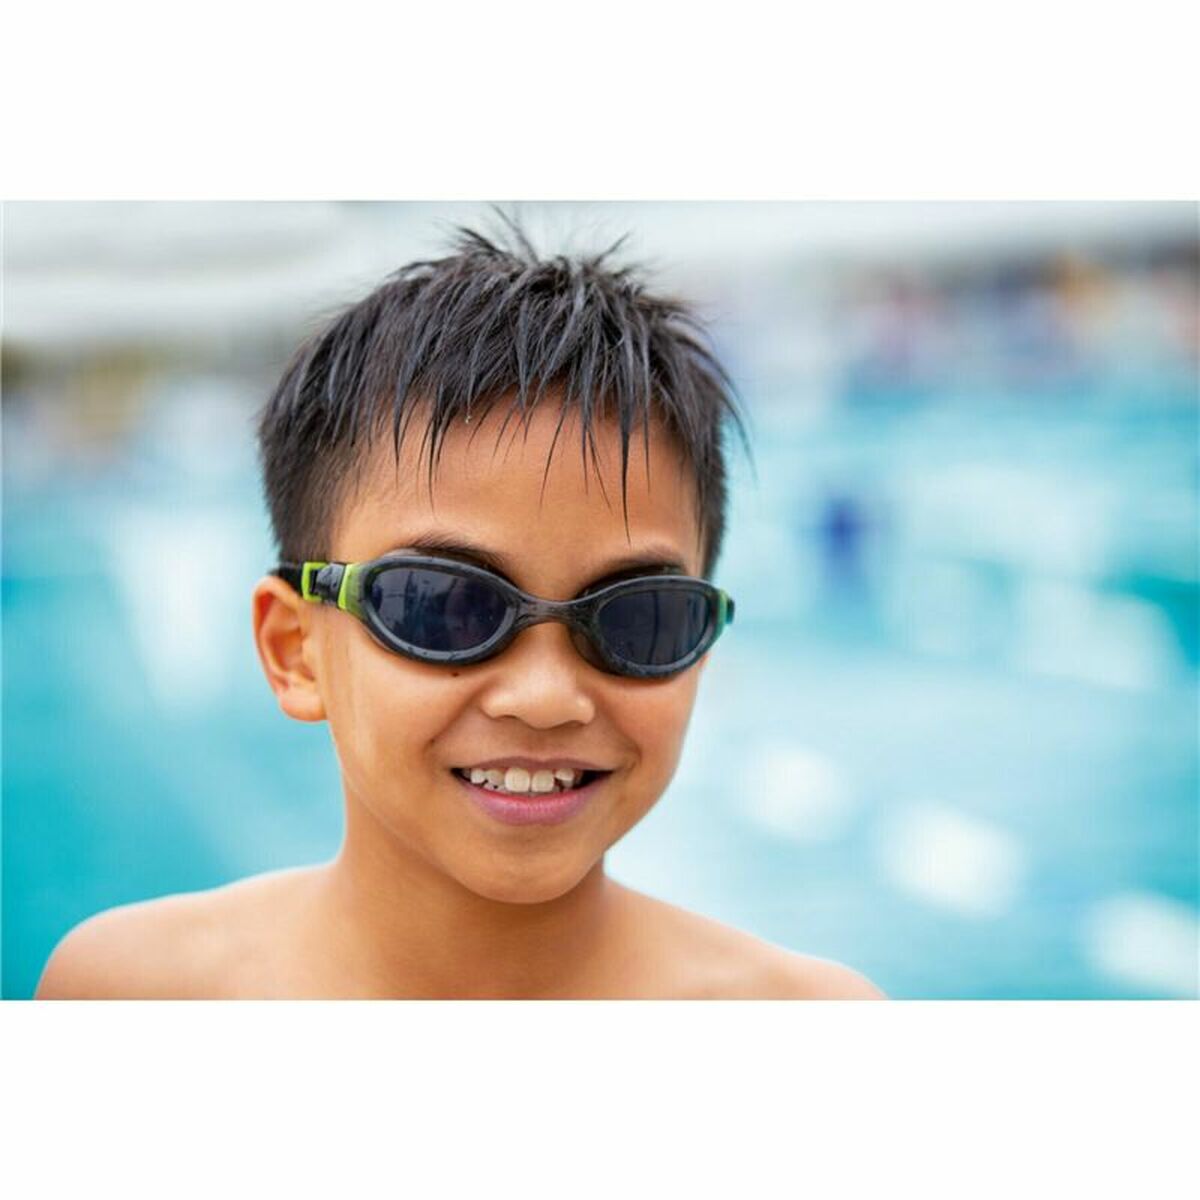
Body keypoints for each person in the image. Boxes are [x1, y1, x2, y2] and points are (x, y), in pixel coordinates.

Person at [36, 221, 884, 999]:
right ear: (295, 650)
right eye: (442, 605)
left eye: (639, 616)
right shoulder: (128, 991)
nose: (546, 697)